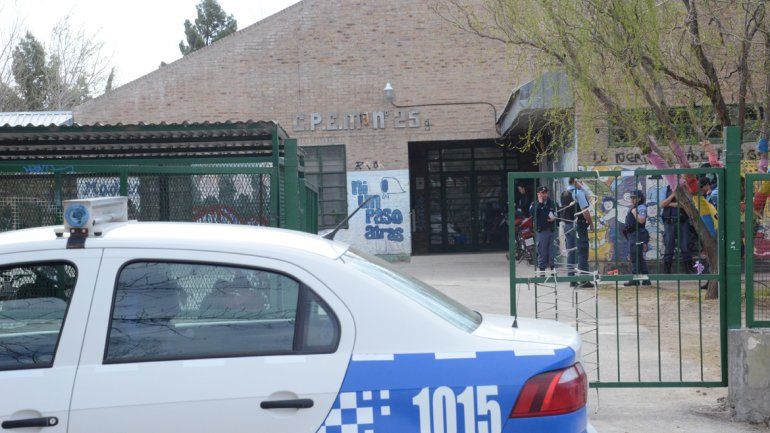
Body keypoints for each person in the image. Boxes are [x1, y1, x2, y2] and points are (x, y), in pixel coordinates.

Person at [562, 178, 595, 288]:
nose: (582, 184)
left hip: (567, 225)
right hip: (578, 225)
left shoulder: (564, 193)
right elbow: (585, 211)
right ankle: (584, 280)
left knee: (571, 252)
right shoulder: (578, 193)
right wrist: (591, 223)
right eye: (580, 182)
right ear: (575, 182)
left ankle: (572, 279)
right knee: (582, 251)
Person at [660, 185, 692, 274]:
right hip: (669, 222)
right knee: (669, 246)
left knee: (685, 245)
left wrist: (670, 204)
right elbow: (661, 204)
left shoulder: (684, 188)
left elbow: (687, 204)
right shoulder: (665, 189)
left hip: (683, 221)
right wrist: (673, 195)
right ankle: (667, 271)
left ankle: (689, 270)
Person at [623, 190, 651, 286]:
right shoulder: (636, 207)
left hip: (637, 234)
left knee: (635, 257)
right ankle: (646, 279)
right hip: (634, 234)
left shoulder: (640, 207)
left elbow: (642, 220)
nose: (632, 199)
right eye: (631, 197)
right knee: (639, 257)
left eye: (634, 197)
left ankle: (635, 279)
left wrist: (634, 212)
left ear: (639, 198)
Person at [529, 185, 557, 275]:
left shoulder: (552, 203)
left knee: (552, 251)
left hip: (551, 230)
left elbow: (557, 214)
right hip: (542, 231)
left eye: (546, 193)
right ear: (538, 194)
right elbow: (533, 213)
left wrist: (554, 218)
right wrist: (540, 204)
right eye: (543, 193)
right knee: (542, 251)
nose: (545, 195)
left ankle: (553, 270)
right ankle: (542, 271)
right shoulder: (534, 204)